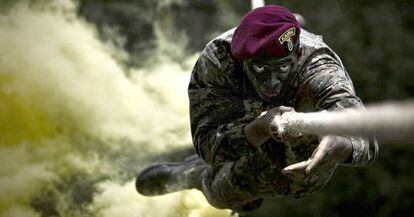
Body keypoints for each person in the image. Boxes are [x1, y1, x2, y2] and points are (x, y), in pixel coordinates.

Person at [136, 5, 378, 213]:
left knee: (290, 185)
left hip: (301, 164)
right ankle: (192, 175)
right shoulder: (218, 61)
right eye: (261, 69)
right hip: (243, 124)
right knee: (221, 194)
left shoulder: (319, 68)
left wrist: (343, 146)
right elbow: (207, 144)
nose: (272, 83)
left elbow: (367, 138)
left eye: (282, 68)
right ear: (241, 61)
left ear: (297, 55)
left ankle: (293, 26)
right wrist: (258, 129)